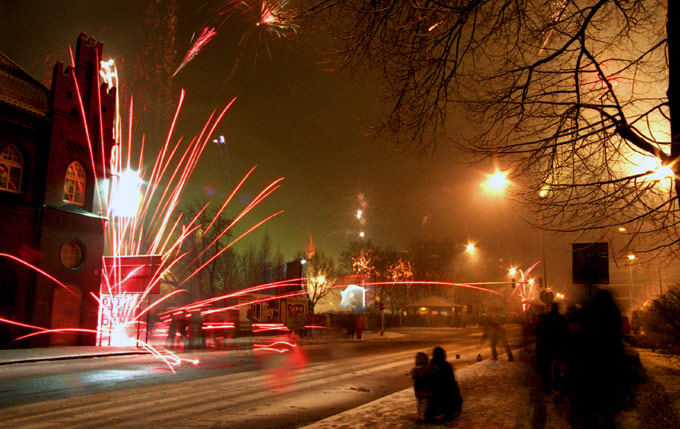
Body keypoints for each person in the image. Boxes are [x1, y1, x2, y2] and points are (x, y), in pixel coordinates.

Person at [428, 346, 463, 421]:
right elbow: (451, 379)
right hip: (446, 391)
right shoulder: (446, 365)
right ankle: (451, 411)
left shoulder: (432, 365)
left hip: (435, 392)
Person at [410, 352, 433, 422]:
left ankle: (419, 414)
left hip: (418, 389)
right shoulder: (427, 368)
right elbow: (431, 375)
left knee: (419, 402)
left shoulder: (415, 369)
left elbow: (413, 377)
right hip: (426, 389)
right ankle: (422, 415)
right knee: (424, 402)